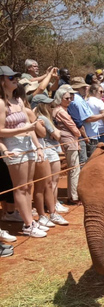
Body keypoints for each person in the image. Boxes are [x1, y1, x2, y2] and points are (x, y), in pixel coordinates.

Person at [0, 66, 49, 238]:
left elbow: (30, 129)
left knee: (28, 186)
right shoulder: (1, 103)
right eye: (11, 77)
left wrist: (38, 146)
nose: (15, 79)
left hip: (28, 145)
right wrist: (23, 130)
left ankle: (29, 220)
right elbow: (0, 131)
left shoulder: (19, 101)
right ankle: (28, 224)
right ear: (2, 81)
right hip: (14, 147)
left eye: (16, 77)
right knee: (20, 188)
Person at [28, 94, 69, 226]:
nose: (50, 106)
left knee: (49, 183)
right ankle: (43, 214)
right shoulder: (42, 118)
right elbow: (56, 134)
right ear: (40, 105)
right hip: (42, 151)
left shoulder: (42, 118)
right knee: (41, 185)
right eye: (47, 104)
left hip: (44, 151)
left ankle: (51, 212)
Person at [52, 86, 81, 205]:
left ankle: (72, 195)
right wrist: (78, 134)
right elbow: (72, 127)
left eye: (70, 98)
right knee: (74, 169)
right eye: (67, 98)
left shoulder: (57, 110)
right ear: (60, 98)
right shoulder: (61, 111)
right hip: (69, 141)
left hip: (66, 141)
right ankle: (74, 196)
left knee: (72, 169)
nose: (70, 100)